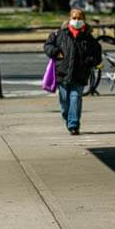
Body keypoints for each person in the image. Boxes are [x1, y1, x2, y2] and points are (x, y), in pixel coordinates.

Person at [44, 7, 102, 135]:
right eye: (74, 18)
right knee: (64, 103)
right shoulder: (59, 34)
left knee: (75, 98)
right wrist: (55, 52)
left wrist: (90, 61)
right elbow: (48, 45)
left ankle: (73, 125)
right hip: (62, 73)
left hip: (80, 74)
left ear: (84, 20)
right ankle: (68, 118)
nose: (76, 21)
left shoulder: (88, 37)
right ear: (69, 19)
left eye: (79, 18)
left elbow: (97, 55)